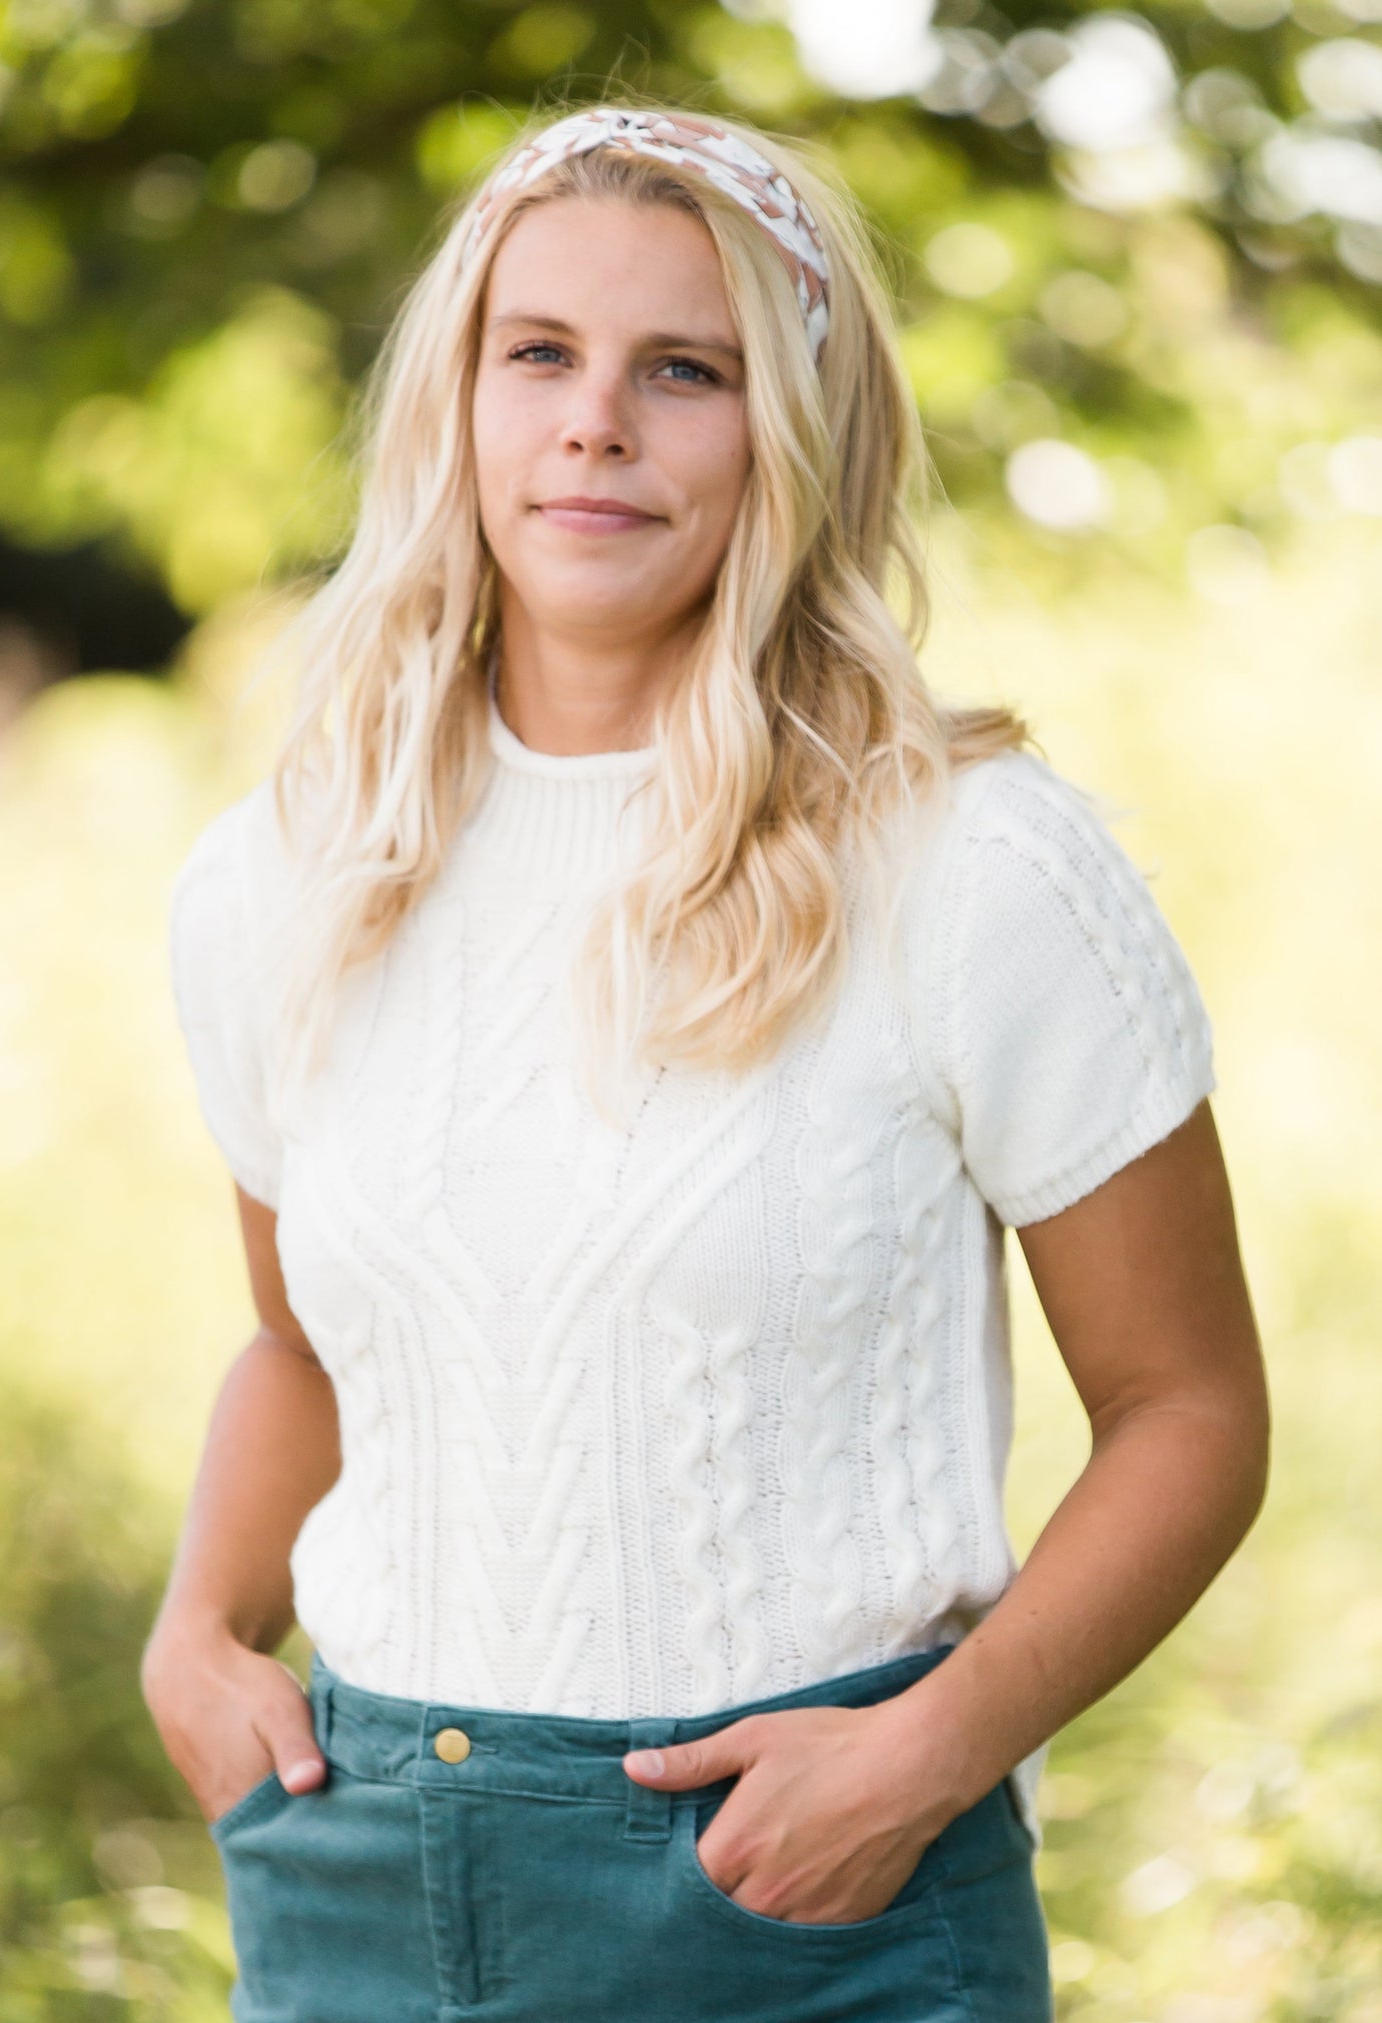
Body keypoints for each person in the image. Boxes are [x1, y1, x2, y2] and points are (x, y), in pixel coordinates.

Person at [141, 100, 1270, 2023]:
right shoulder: (287, 875)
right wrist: (194, 1634)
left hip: (810, 1896)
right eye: (540, 356)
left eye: (686, 370)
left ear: (794, 432)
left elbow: (1188, 1411)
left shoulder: (972, 866)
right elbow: (301, 1344)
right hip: (362, 1882)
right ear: (460, 402)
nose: (595, 423)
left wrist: (926, 1755)